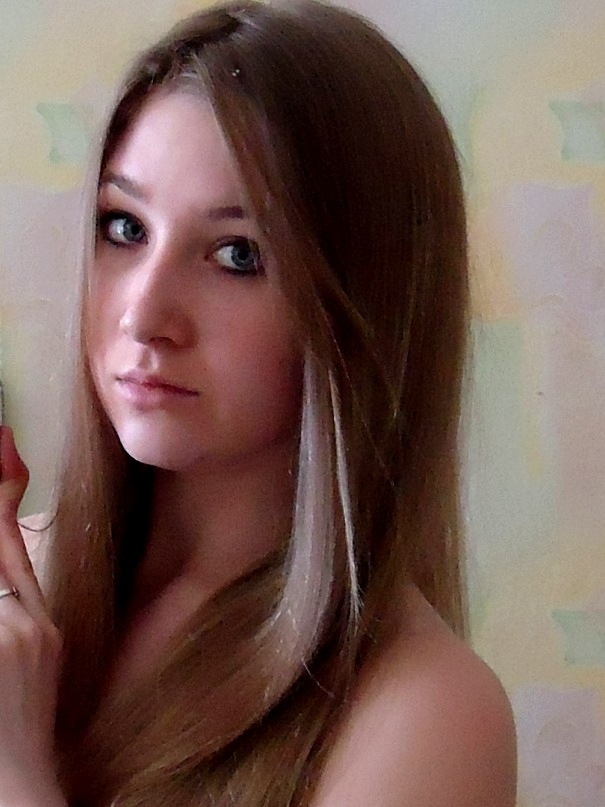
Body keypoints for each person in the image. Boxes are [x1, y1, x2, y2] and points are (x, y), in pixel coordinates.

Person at [0, 0, 516, 804]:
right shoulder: (20, 583)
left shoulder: (427, 712)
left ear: (365, 308)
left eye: (237, 254)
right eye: (124, 227)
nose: (144, 315)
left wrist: (15, 769)